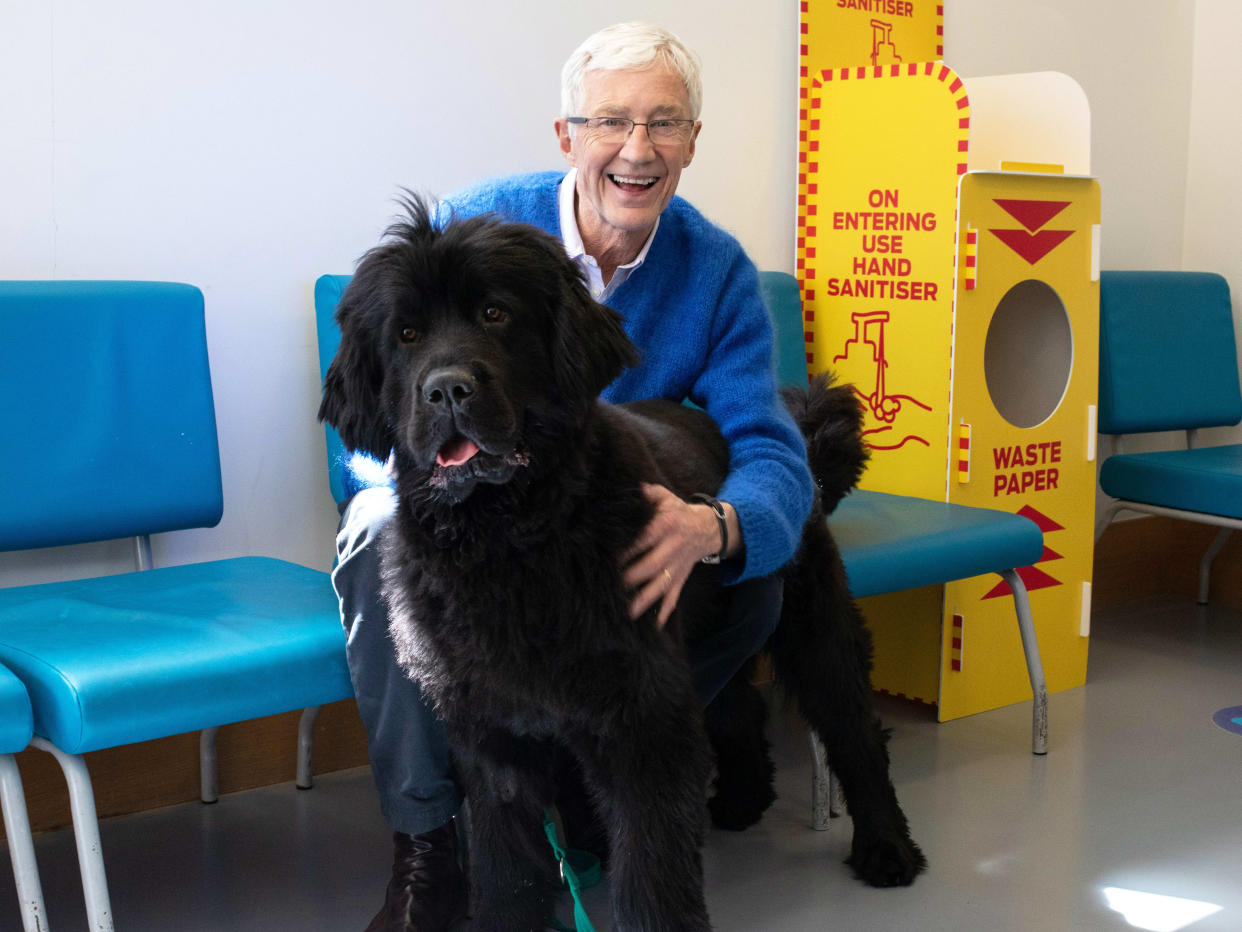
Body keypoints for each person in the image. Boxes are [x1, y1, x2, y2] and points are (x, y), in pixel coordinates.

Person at [332, 22, 814, 931]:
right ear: (567, 136)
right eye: (612, 122)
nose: (637, 150)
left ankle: (608, 783)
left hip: (603, 508)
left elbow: (770, 448)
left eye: (664, 124)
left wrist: (713, 526)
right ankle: (429, 843)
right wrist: (435, 456)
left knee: (748, 581)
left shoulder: (715, 275)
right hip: (450, 506)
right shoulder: (480, 231)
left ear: (691, 144)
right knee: (375, 538)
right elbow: (359, 427)